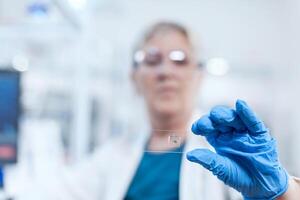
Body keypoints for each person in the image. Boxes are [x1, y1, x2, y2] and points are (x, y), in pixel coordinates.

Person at [21, 22, 300, 200]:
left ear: (198, 74)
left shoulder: (229, 149)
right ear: (134, 76)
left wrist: (283, 192)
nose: (166, 71)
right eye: (152, 60)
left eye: (180, 60)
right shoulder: (115, 155)